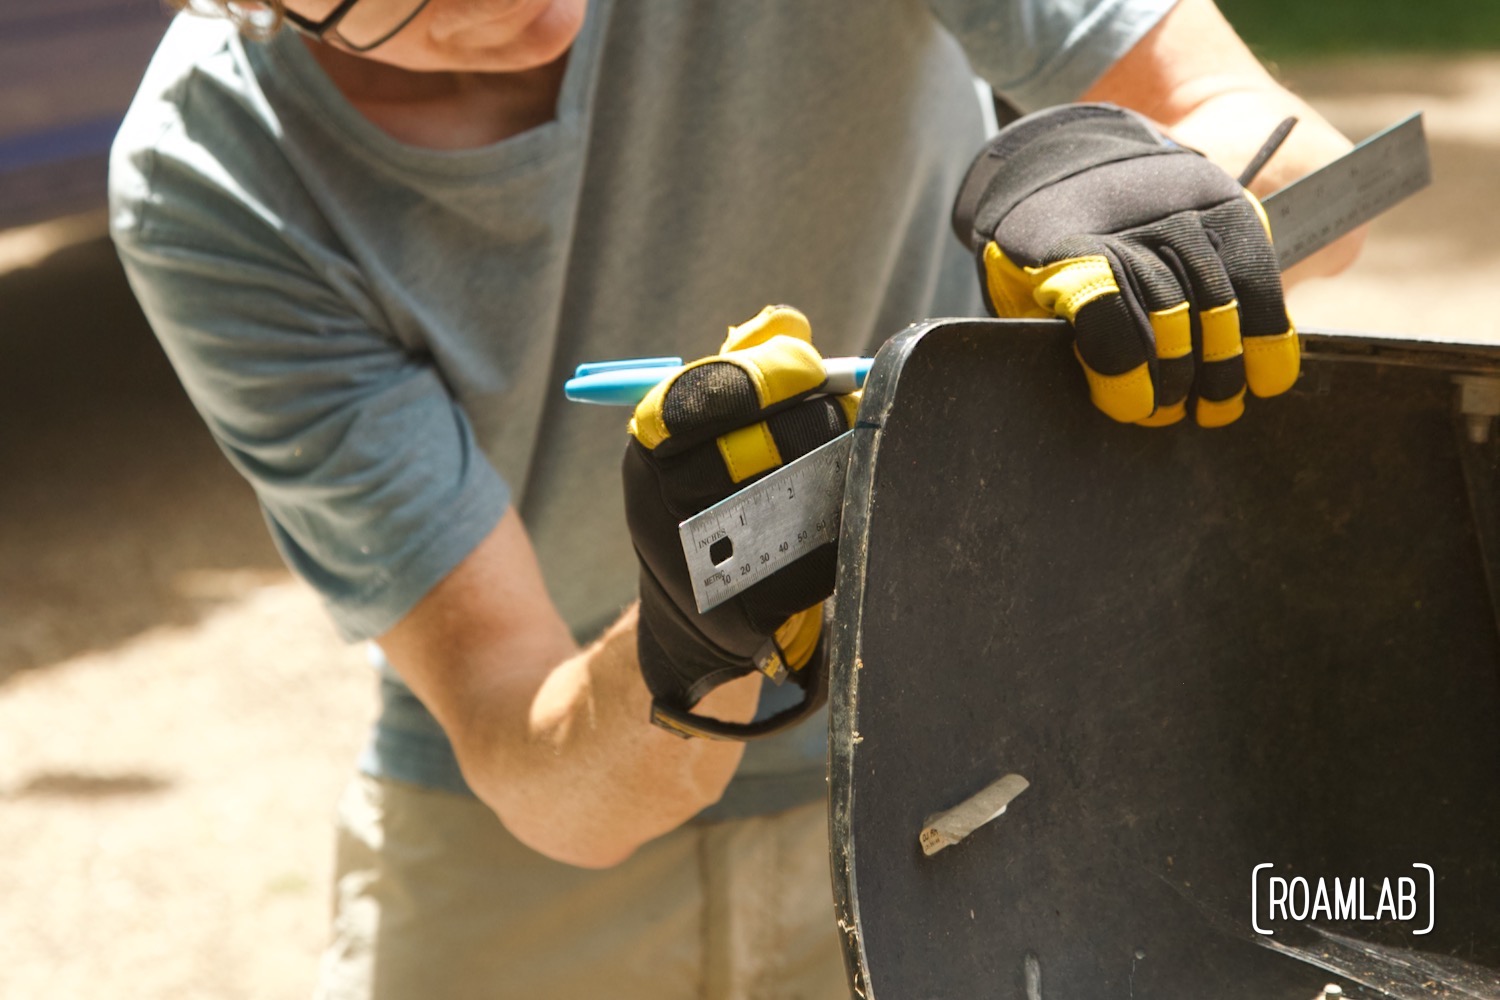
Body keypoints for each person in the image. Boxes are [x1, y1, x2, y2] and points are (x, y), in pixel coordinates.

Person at [108, 0, 1363, 995]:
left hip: (981, 766)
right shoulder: (211, 174)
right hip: (526, 854)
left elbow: (1293, 154)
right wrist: (693, 645)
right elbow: (528, 749)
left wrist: (1146, 180)